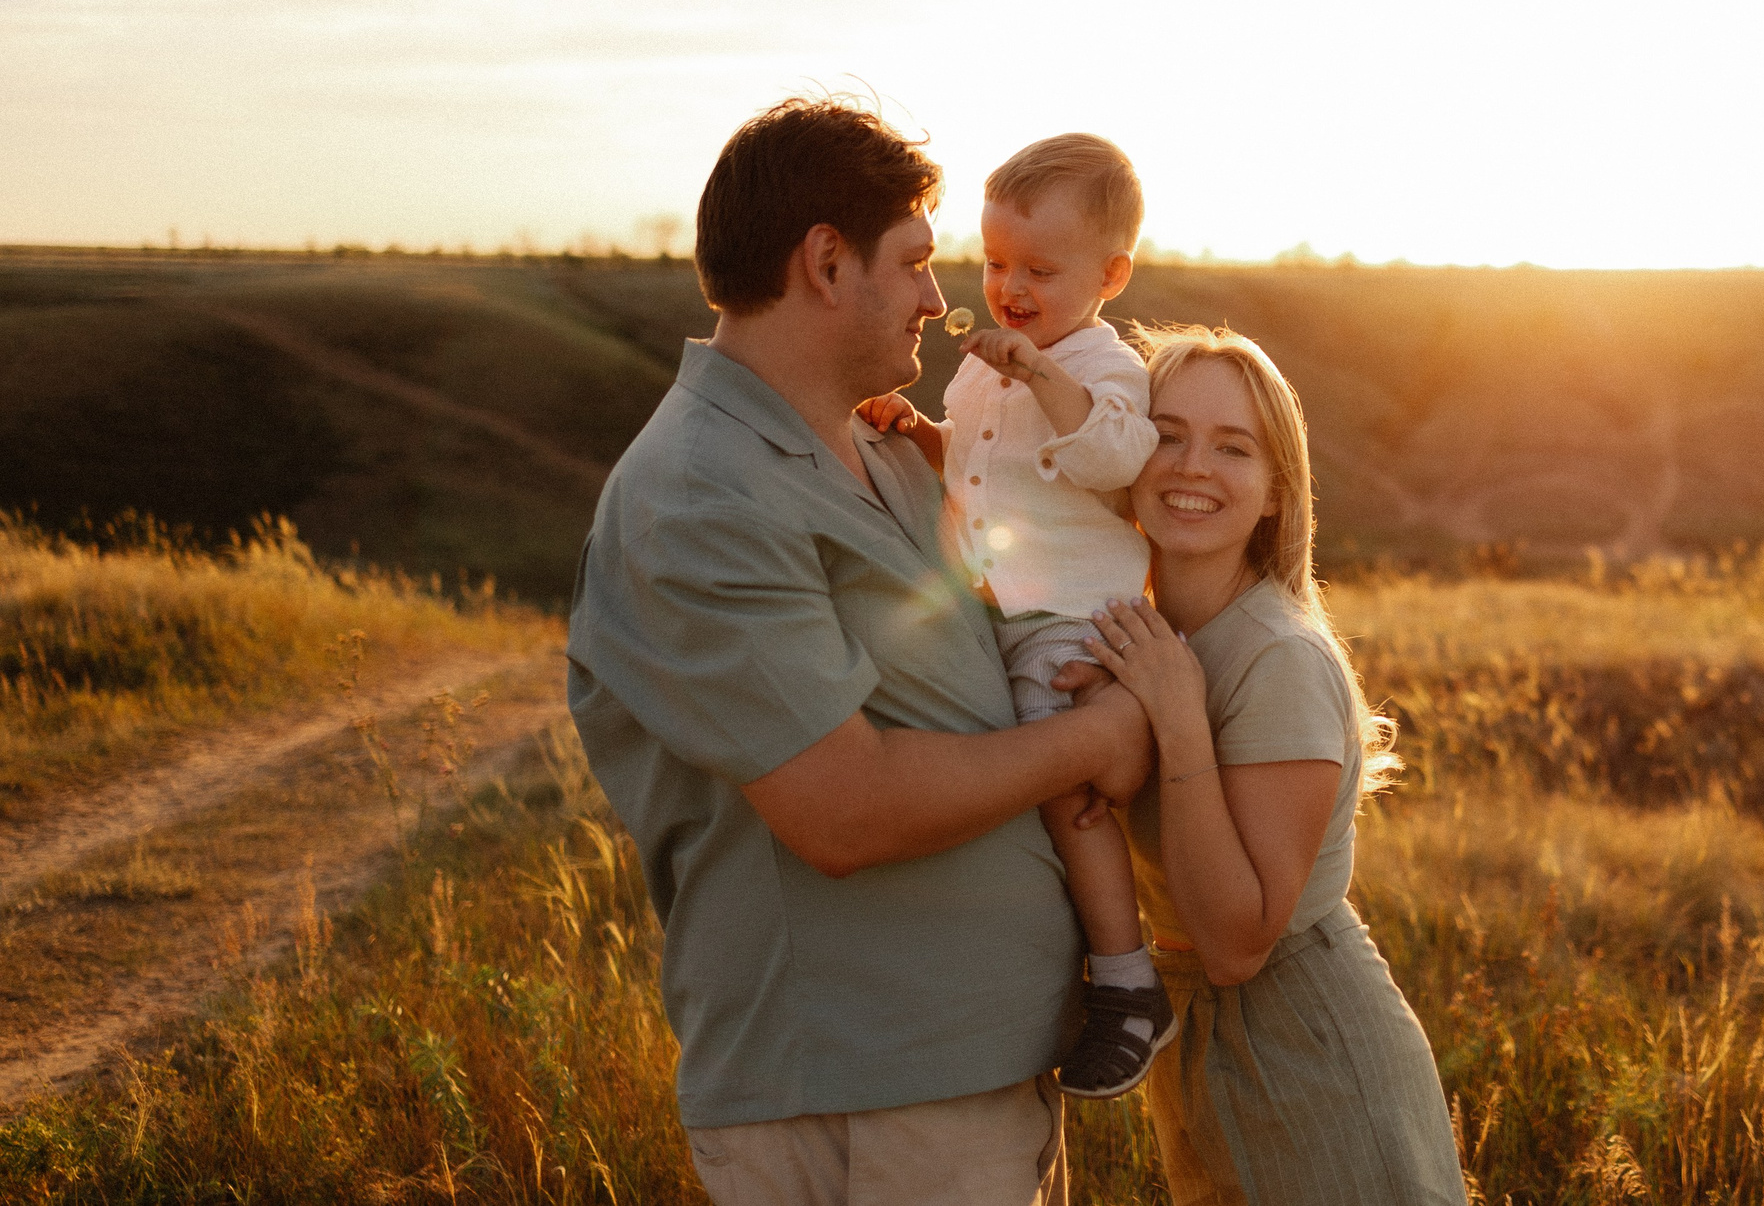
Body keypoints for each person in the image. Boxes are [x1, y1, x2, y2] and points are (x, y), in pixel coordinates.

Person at [566, 96, 1155, 1206]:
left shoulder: (880, 453)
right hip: (860, 1092)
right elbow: (844, 810)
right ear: (828, 264)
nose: (945, 300)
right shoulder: (700, 494)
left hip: (962, 1072)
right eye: (921, 265)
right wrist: (1105, 732)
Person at [1078, 326, 1469, 1206]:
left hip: (1304, 1043)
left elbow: (1238, 940)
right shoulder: (1146, 635)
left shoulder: (1275, 657)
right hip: (1203, 1041)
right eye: (1166, 432)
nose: (1191, 465)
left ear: (1273, 494)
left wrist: (1179, 721)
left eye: (1233, 447)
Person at [857, 133, 1176, 1098]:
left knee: (1063, 783)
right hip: (1001, 611)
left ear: (1110, 274)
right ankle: (1048, 949)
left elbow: (1116, 456)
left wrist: (1040, 371)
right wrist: (921, 431)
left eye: (1042, 268)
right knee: (1003, 776)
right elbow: (979, 465)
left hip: (1078, 620)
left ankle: (1128, 982)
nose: (1012, 287)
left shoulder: (1100, 362)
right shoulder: (981, 369)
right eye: (996, 263)